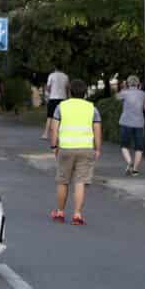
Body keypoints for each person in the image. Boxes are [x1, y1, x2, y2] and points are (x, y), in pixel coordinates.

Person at [49, 79, 101, 225]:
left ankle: (60, 213)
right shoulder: (92, 109)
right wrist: (97, 149)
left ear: (69, 92)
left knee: (63, 181)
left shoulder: (61, 107)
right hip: (86, 149)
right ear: (85, 93)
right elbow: (97, 130)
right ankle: (77, 215)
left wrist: (54, 146)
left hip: (65, 148)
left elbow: (54, 128)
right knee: (80, 182)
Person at [117, 75, 145, 176]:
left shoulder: (124, 93)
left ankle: (130, 162)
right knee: (139, 147)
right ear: (138, 84)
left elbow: (116, 97)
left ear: (128, 83)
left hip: (126, 122)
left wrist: (123, 88)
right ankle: (135, 169)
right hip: (139, 123)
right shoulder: (143, 94)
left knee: (124, 145)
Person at [42, 67, 70, 139]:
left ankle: (46, 134)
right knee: (62, 117)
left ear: (55, 68)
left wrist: (50, 92)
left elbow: (48, 88)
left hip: (53, 98)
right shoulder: (65, 76)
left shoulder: (51, 75)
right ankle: (62, 134)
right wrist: (67, 98)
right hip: (63, 99)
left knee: (50, 117)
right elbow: (67, 89)